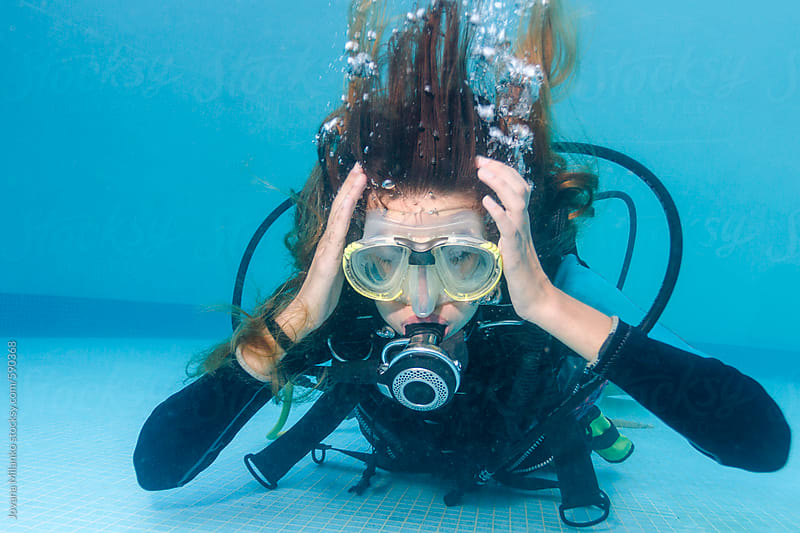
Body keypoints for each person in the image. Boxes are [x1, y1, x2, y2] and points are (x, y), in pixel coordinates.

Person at [133, 0, 790, 526]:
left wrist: (550, 305)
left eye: (464, 263)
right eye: (382, 264)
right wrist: (299, 315)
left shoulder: (543, 288)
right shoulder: (338, 306)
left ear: (501, 252)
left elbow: (760, 440)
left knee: (580, 385)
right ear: (352, 258)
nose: (421, 303)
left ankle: (593, 417)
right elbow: (157, 465)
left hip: (530, 433)